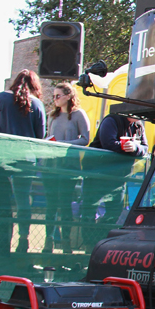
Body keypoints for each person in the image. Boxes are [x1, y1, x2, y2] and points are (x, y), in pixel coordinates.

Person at [0, 69, 46, 253]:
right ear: (35, 85)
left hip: (1, 156)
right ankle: (23, 240)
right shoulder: (38, 104)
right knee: (23, 200)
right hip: (26, 159)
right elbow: (40, 135)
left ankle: (2, 246)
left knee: (1, 202)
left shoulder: (1, 98)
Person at [43, 83, 91, 252]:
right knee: (50, 205)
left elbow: (85, 139)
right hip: (51, 166)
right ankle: (48, 241)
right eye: (54, 96)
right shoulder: (52, 115)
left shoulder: (78, 114)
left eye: (58, 96)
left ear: (68, 96)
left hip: (69, 167)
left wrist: (62, 144)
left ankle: (66, 243)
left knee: (65, 205)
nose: (55, 99)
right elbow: (46, 136)